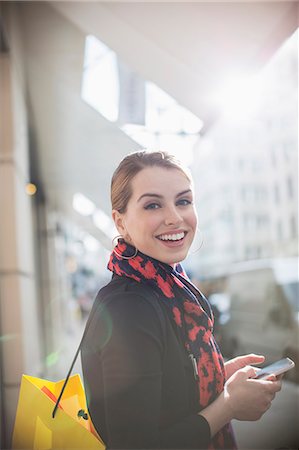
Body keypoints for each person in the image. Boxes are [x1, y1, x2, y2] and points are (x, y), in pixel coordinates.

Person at [81, 150, 281, 449]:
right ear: (120, 222)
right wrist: (228, 406)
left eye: (183, 201)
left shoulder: (170, 290)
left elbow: (162, 399)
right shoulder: (129, 307)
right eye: (152, 205)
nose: (174, 217)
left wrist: (215, 377)